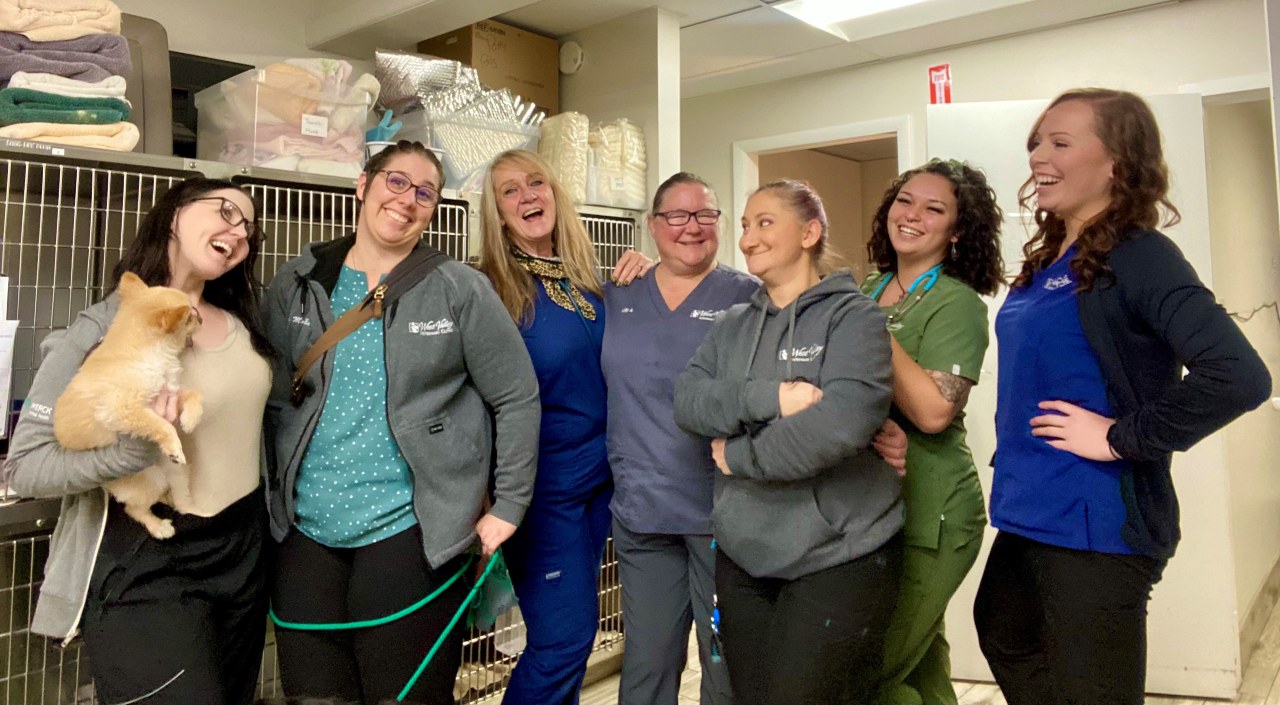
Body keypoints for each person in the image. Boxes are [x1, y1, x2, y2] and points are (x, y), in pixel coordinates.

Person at [972, 88, 1271, 705]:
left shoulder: (1140, 255)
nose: (1037, 156)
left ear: (1116, 161)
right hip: (1031, 506)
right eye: (1035, 141)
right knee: (1003, 631)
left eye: (1060, 142)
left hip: (1096, 519)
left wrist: (1117, 437)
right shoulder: (1054, 258)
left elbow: (1238, 376)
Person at [263, 140, 541, 705]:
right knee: (314, 695)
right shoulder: (300, 278)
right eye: (395, 182)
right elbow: (266, 390)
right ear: (362, 186)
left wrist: (509, 503)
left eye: (425, 192)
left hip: (411, 528)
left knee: (406, 695)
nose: (407, 199)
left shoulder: (458, 287)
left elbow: (516, 396)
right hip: (306, 527)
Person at [4, 177, 273, 705]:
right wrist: (131, 451)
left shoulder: (247, 326)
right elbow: (25, 466)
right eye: (224, 210)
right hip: (147, 559)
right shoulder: (102, 328)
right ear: (172, 216)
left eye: (248, 225)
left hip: (242, 554)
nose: (237, 230)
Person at [673, 178, 903, 705]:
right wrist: (773, 397)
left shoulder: (854, 318)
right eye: (746, 226)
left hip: (836, 552)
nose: (748, 239)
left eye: (765, 222)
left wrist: (739, 454)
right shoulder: (732, 325)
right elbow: (689, 401)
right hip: (743, 553)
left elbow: (841, 425)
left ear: (810, 232)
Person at [477, 149, 647, 705]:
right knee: (563, 639)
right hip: (542, 491)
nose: (528, 196)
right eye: (510, 191)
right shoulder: (490, 291)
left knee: (573, 641)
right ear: (498, 213)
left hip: (603, 483)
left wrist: (647, 280)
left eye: (537, 183)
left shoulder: (591, 284)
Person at [601, 172, 758, 705]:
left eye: (705, 215)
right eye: (677, 216)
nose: (691, 228)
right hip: (643, 512)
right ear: (653, 225)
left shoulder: (747, 297)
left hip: (723, 514)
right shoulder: (619, 294)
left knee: (727, 662)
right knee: (648, 662)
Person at [860, 159, 1004, 705]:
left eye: (934, 208)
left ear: (958, 230)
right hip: (877, 508)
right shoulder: (870, 287)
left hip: (936, 515)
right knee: (922, 669)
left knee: (867, 670)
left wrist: (864, 326)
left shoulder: (956, 303)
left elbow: (933, 413)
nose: (912, 215)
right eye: (904, 201)